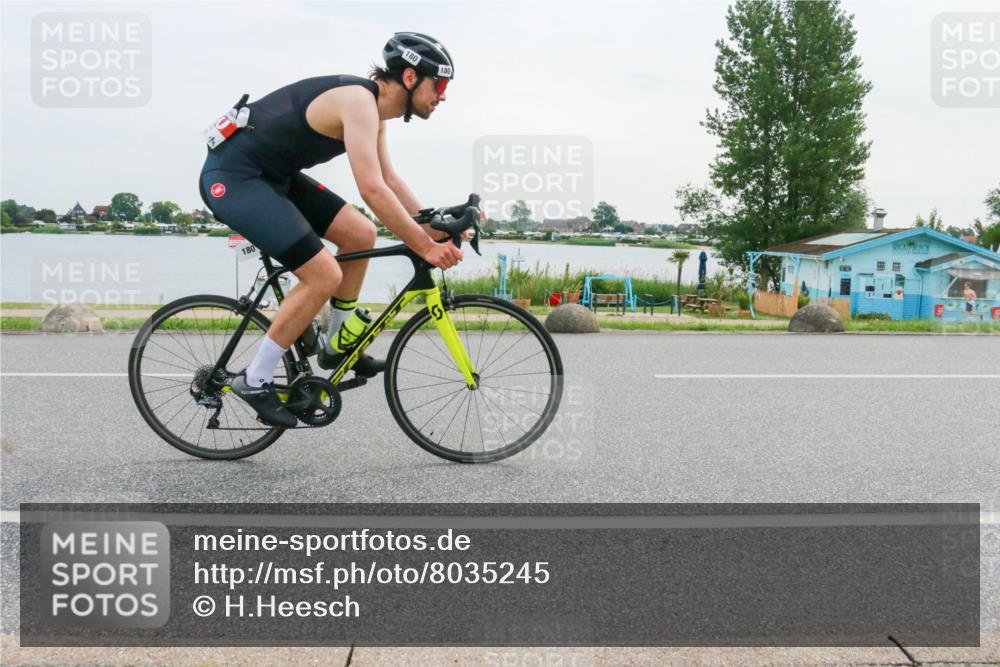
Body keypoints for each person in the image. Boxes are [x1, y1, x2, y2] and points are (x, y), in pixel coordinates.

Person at [198, 33, 464, 427]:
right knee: (323, 273)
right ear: (410, 77)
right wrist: (424, 246)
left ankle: (338, 347)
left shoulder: (374, 112)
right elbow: (370, 188)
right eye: (438, 85)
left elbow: (389, 179)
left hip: (274, 177)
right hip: (235, 178)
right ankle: (255, 379)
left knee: (360, 233)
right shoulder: (358, 101)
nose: (442, 96)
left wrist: (436, 222)